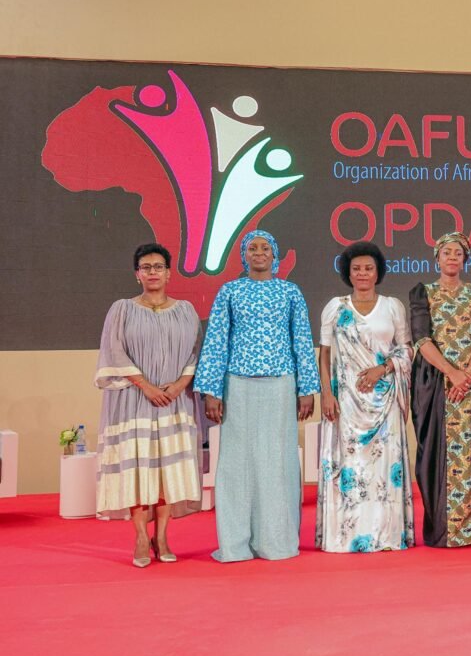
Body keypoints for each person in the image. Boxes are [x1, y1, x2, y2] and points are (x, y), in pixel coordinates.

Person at [194, 229, 319, 561]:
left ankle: (276, 541)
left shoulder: (290, 292)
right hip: (237, 384)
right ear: (244, 255)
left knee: (278, 461)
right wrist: (211, 391)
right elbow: (217, 339)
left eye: (265, 248)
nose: (259, 252)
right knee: (237, 463)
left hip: (281, 384)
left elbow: (302, 339)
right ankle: (235, 544)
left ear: (274, 254)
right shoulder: (230, 291)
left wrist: (307, 389)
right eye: (253, 248)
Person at [95, 243, 203, 568]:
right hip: (134, 400)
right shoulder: (122, 310)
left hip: (174, 401)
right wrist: (146, 386)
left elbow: (195, 352)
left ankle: (163, 536)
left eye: (158, 267)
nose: (152, 272)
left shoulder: (186, 311)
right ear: (137, 274)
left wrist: (179, 385)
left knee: (166, 470)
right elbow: (114, 351)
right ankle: (142, 537)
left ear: (169, 273)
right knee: (139, 468)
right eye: (146, 267)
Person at [317, 241, 415, 552]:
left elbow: (406, 350)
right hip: (346, 403)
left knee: (383, 470)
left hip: (385, 403)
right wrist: (326, 394)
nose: (362, 273)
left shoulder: (392, 306)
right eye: (356, 268)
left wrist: (382, 369)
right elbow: (324, 355)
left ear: (378, 272)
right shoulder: (335, 307)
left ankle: (385, 536)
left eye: (368, 268)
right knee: (352, 468)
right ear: (348, 273)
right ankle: (346, 536)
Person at [410, 232, 471, 548]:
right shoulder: (424, 292)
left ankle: (469, 530)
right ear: (437, 258)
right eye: (446, 252)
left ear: (465, 259)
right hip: (435, 383)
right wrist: (452, 373)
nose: (452, 257)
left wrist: (467, 375)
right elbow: (421, 338)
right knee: (432, 454)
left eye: (458, 253)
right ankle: (440, 531)